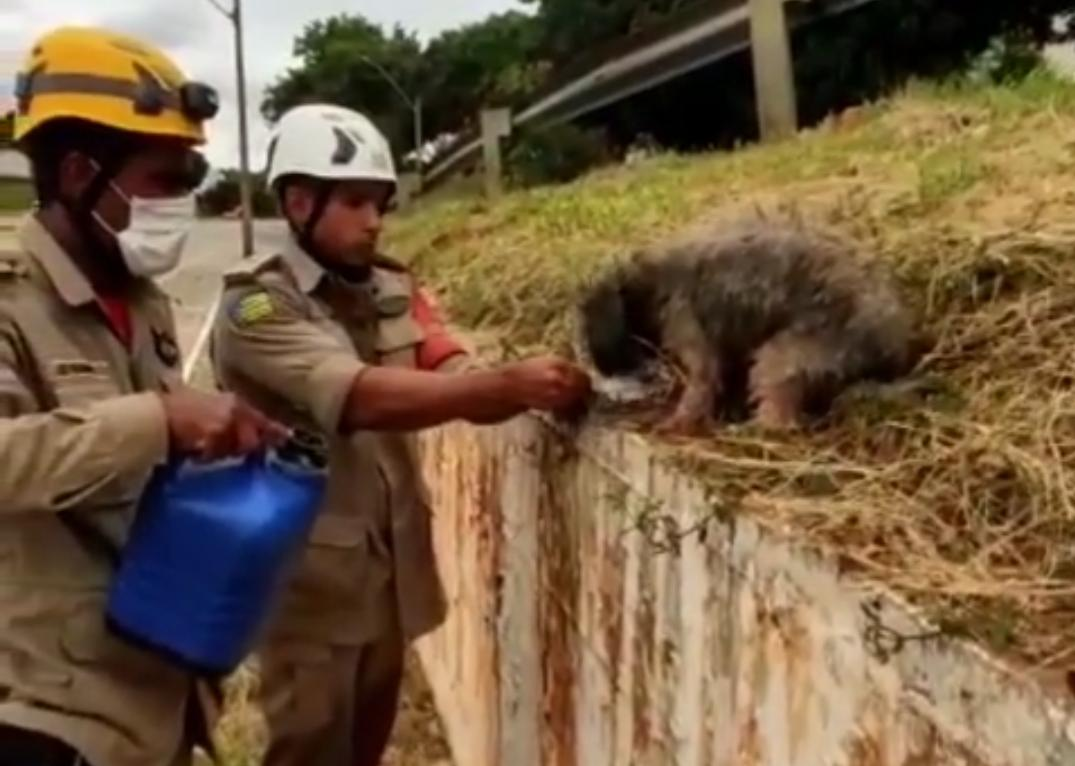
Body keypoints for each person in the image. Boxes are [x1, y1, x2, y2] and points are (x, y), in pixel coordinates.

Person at [210, 103, 592, 766]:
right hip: (308, 591)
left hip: (390, 574)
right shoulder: (256, 306)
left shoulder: (390, 285)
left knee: (364, 749)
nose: (374, 221)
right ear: (299, 202)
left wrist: (508, 382)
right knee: (308, 750)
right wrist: (502, 386)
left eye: (380, 202)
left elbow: (441, 356)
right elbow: (359, 396)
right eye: (355, 202)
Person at [0, 26, 285, 766]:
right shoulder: (7, 299)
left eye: (191, 182)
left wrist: (222, 437)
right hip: (42, 712)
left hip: (149, 689)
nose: (180, 204)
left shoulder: (141, 299)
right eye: (164, 181)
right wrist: (158, 419)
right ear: (75, 174)